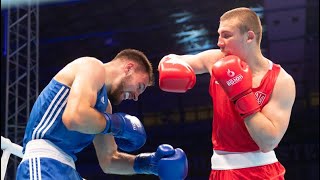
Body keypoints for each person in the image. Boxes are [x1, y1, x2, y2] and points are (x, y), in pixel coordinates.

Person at [158, 7, 296, 180]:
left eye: (226, 35)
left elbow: (268, 142)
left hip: (262, 172)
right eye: (219, 35)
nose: (219, 42)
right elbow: (173, 60)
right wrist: (167, 62)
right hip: (221, 171)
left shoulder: (281, 80)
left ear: (249, 37)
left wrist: (241, 93)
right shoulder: (215, 60)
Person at [16, 49, 188, 180]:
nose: (136, 96)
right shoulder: (92, 66)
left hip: (67, 169)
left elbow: (109, 160)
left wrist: (148, 164)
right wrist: (116, 125)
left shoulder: (104, 110)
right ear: (128, 68)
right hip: (43, 162)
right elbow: (74, 118)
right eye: (139, 87)